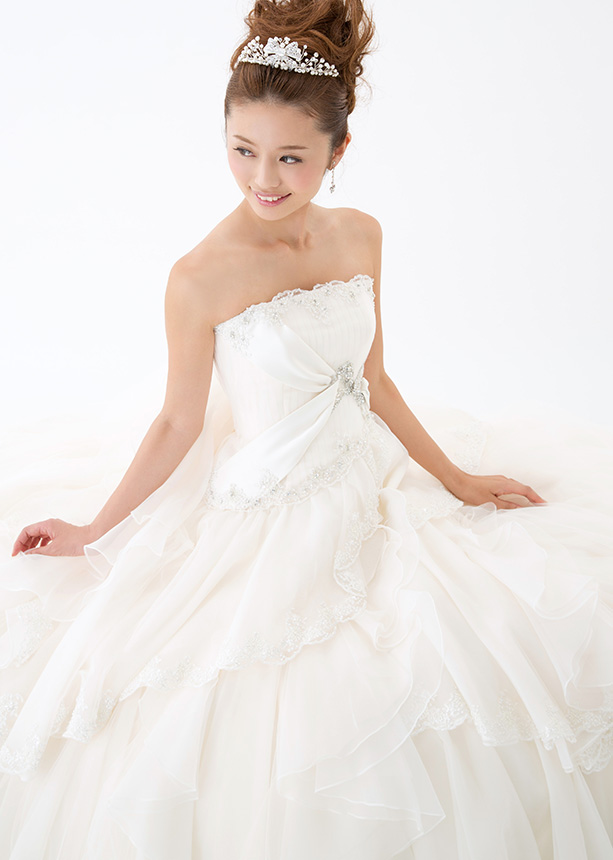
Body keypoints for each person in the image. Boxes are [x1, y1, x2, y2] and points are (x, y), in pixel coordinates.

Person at [1, 0, 612, 857]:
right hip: (267, 506)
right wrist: (95, 528)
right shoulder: (199, 277)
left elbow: (373, 379)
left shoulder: (360, 236)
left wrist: (456, 479)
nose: (263, 178)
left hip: (365, 473)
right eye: (241, 149)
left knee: (490, 641)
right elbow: (177, 420)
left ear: (338, 150)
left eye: (291, 157)